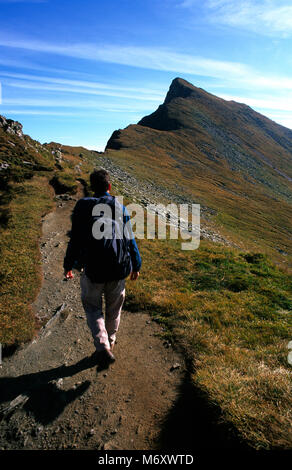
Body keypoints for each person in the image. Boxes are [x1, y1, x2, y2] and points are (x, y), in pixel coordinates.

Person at [63, 169, 141, 366]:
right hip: (118, 269)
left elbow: (76, 240)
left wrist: (68, 265)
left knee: (92, 307)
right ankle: (111, 342)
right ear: (109, 187)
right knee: (114, 309)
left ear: (91, 187)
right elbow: (129, 239)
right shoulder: (119, 206)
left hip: (93, 270)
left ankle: (102, 345)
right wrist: (136, 265)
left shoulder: (82, 206)